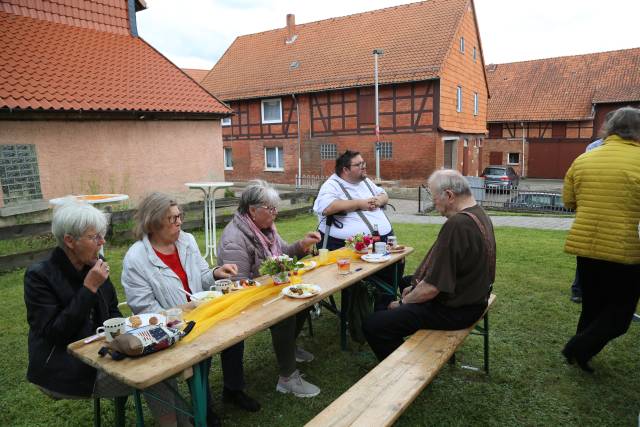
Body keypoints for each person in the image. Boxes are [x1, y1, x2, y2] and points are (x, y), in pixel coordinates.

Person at [24, 199, 186, 426]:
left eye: (102, 235)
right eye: (94, 237)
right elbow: (55, 334)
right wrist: (88, 289)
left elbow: (110, 312)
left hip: (102, 353)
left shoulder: (94, 263)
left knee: (159, 364)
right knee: (152, 376)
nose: (102, 243)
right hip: (64, 368)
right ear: (70, 240)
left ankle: (183, 423)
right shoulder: (39, 277)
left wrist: (129, 333)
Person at [121, 192, 257, 427]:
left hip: (200, 313)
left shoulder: (187, 241)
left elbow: (203, 277)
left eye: (179, 216)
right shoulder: (136, 258)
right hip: (169, 327)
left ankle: (228, 392)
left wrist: (216, 273)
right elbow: (145, 309)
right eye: (172, 218)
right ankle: (203, 409)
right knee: (200, 350)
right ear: (154, 222)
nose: (179, 222)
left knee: (236, 332)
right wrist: (179, 316)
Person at [362, 170, 496, 361]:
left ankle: (405, 371)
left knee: (374, 324)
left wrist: (400, 304)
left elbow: (432, 289)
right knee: (407, 282)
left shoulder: (457, 225)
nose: (434, 203)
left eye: (434, 197)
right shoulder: (479, 213)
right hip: (475, 298)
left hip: (457, 311)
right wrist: (413, 288)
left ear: (449, 195)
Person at [217, 180, 322, 398]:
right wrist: (271, 283)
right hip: (245, 302)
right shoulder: (235, 239)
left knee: (304, 298)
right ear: (252, 210)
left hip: (268, 291)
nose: (275, 213)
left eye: (276, 207)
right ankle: (287, 378)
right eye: (270, 208)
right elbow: (239, 286)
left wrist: (303, 245)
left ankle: (289, 349)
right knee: (285, 313)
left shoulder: (266, 229)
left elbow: (283, 253)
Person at [561, 106, 640, 373]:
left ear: (610, 128)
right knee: (620, 316)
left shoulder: (584, 159)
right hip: (625, 250)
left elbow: (569, 202)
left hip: (586, 247)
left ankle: (580, 356)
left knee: (593, 305)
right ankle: (576, 348)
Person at [313, 150, 404, 309]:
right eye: (359, 164)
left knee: (397, 263)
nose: (364, 167)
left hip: (380, 240)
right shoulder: (332, 185)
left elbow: (383, 194)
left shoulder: (365, 181)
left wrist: (379, 200)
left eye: (364, 163)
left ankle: (384, 306)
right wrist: (359, 204)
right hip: (347, 246)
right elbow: (326, 207)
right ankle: (359, 313)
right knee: (361, 278)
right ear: (345, 170)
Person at [570, 111, 615, 303]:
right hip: (606, 211)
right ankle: (581, 289)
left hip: (590, 212)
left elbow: (572, 190)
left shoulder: (592, 148)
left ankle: (581, 290)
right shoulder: (594, 148)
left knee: (588, 252)